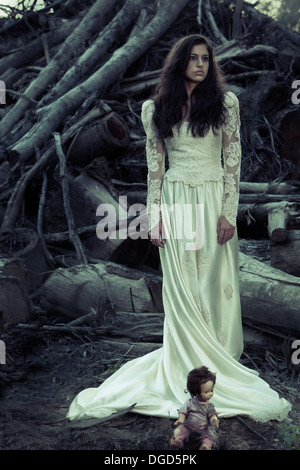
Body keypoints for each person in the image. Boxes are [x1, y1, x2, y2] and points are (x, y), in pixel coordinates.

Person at [66, 35, 291, 425]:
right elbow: (154, 169)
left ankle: (213, 362)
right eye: (193, 58)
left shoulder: (225, 104)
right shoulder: (155, 108)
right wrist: (156, 217)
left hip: (212, 199)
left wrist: (227, 213)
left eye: (206, 59)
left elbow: (233, 162)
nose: (201, 65)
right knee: (183, 285)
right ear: (179, 63)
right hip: (175, 201)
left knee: (213, 283)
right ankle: (186, 366)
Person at [170, 367, 219, 450]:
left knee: (209, 437)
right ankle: (179, 442)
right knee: (179, 432)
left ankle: (205, 446)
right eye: (206, 392)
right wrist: (181, 419)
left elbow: (211, 415)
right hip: (188, 426)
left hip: (203, 429)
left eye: (211, 390)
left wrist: (213, 420)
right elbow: (183, 412)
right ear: (196, 392)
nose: (210, 394)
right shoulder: (190, 402)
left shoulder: (209, 406)